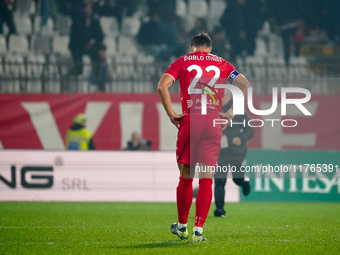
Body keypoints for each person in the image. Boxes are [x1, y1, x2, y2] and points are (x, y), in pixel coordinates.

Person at [158, 33, 251, 241]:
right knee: (207, 179)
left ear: (192, 48)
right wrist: (230, 114)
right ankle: (199, 231)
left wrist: (171, 113)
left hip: (191, 120)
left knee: (185, 177)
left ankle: (182, 227)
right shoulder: (223, 63)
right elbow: (246, 86)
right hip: (212, 122)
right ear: (209, 49)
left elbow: (162, 86)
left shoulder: (181, 62)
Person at [214, 92, 254, 218]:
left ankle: (244, 181)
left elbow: (250, 129)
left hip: (237, 152)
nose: (220, 97)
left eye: (223, 94)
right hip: (221, 153)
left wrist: (241, 138)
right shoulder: (214, 110)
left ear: (230, 96)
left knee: (237, 179)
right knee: (219, 180)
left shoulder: (237, 110)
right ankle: (220, 210)